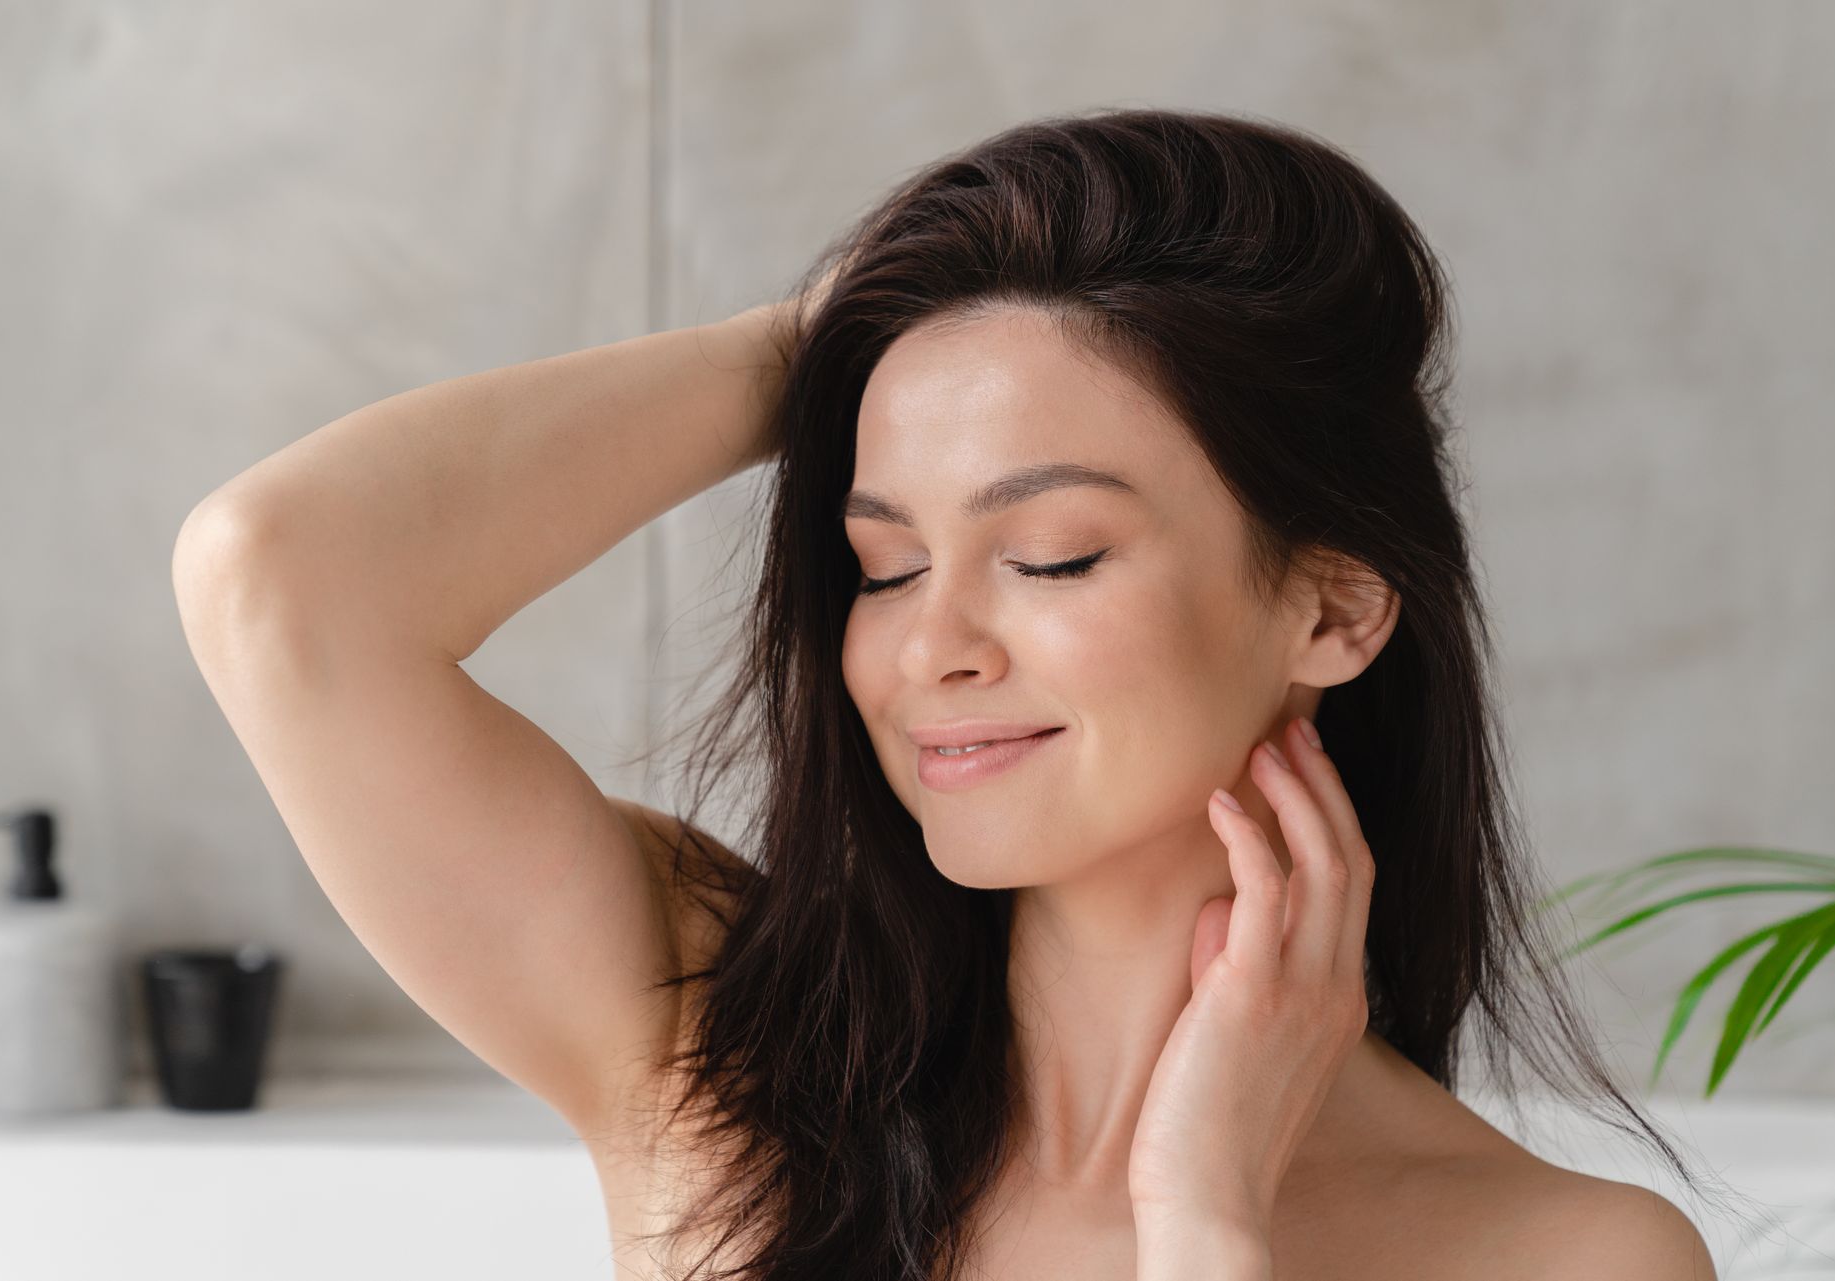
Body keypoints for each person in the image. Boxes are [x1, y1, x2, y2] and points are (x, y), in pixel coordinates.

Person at [173, 108, 1730, 1280]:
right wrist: (817, 346)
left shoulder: (1563, 1255)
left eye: (1049, 556)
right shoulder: (715, 1045)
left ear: (1331, 606)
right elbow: (280, 574)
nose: (933, 649)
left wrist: (1205, 1220)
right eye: (887, 564)